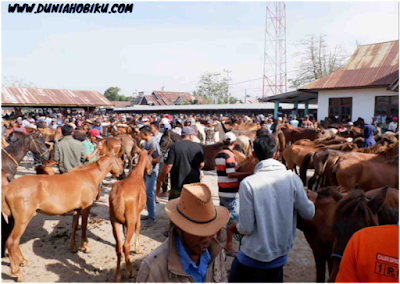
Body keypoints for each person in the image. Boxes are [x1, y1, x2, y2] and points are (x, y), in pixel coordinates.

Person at [227, 134, 315, 284]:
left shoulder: (248, 183)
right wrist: (311, 200)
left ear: (253, 155)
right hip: (279, 258)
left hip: (251, 259)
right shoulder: (292, 179)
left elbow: (246, 228)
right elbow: (308, 213)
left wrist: (235, 227)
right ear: (276, 154)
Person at [136, 183, 229, 283]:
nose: (206, 239)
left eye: (210, 231)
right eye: (198, 233)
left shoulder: (216, 254)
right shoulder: (153, 270)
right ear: (179, 228)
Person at [215, 132, 252, 255]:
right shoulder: (230, 155)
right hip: (230, 191)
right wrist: (248, 174)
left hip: (221, 189)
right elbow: (230, 174)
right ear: (234, 143)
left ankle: (218, 237)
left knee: (222, 214)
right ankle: (229, 246)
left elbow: (225, 171)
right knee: (232, 219)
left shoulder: (219, 154)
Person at [156, 126, 204, 201]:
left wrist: (161, 177)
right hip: (194, 184)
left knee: (175, 206)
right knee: (192, 204)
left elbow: (168, 166)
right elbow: (201, 165)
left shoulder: (174, 147)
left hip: (177, 184)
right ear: (191, 136)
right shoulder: (198, 147)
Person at [140, 126, 161, 227]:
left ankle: (152, 217)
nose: (140, 136)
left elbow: (157, 159)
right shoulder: (145, 143)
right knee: (146, 193)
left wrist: (147, 159)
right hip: (146, 171)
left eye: (141, 134)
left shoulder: (153, 143)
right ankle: (149, 214)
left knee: (149, 193)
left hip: (151, 171)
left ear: (145, 134)